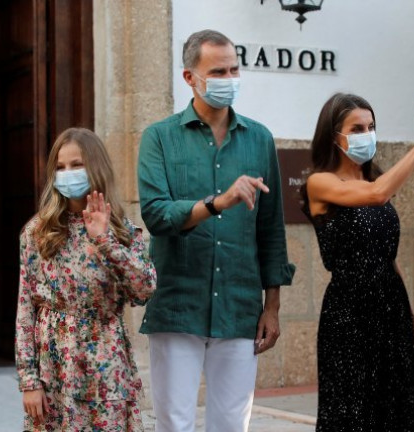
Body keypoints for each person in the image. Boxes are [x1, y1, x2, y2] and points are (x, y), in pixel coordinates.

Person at [137, 29, 295, 432]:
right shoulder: (159, 138)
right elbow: (156, 214)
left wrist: (272, 307)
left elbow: (271, 229)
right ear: (190, 77)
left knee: (231, 424)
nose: (229, 79)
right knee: (175, 423)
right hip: (178, 303)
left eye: (234, 69)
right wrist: (216, 203)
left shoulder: (258, 138)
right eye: (218, 71)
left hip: (241, 306)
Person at [299, 92, 414, 431]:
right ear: (335, 135)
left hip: (391, 308)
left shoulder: (374, 179)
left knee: (397, 410)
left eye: (371, 126)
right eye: (357, 127)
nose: (367, 134)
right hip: (349, 313)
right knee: (353, 411)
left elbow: (389, 257)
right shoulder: (320, 183)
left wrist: (412, 322)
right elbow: (378, 195)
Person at [15, 127, 157, 431]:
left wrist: (105, 241)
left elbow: (144, 290)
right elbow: (25, 309)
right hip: (53, 365)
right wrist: (29, 380)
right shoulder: (37, 232)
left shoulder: (122, 231)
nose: (67, 173)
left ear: (96, 167)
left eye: (76, 165)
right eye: (60, 167)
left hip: (105, 363)